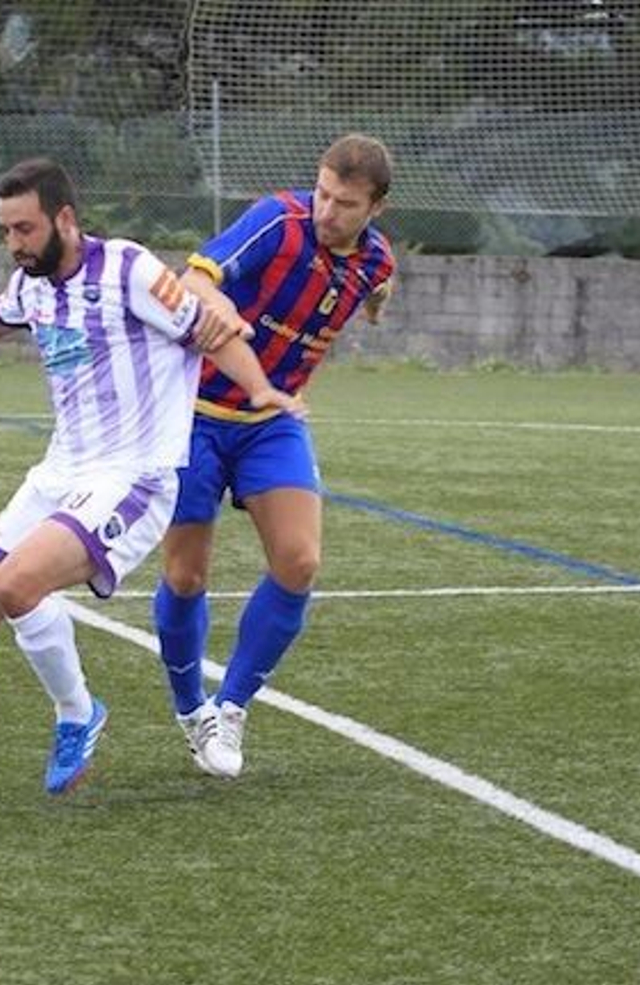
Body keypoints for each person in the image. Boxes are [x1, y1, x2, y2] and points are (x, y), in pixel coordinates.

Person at [0, 157, 301, 795]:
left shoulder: (128, 269)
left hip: (135, 477)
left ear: (64, 219)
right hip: (62, 471)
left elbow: (209, 331)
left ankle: (78, 712)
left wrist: (261, 387)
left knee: (20, 584)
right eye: (6, 231)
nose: (14, 244)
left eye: (24, 229)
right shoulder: (32, 285)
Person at [153, 133, 397, 779]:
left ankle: (231, 705)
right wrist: (218, 301)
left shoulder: (375, 260)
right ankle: (191, 712)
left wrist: (376, 303)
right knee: (184, 576)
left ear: (375, 209)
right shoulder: (277, 221)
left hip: (273, 420)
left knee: (300, 560)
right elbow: (193, 278)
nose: (326, 211)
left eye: (344, 203)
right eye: (322, 193)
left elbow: (378, 281)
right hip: (194, 416)